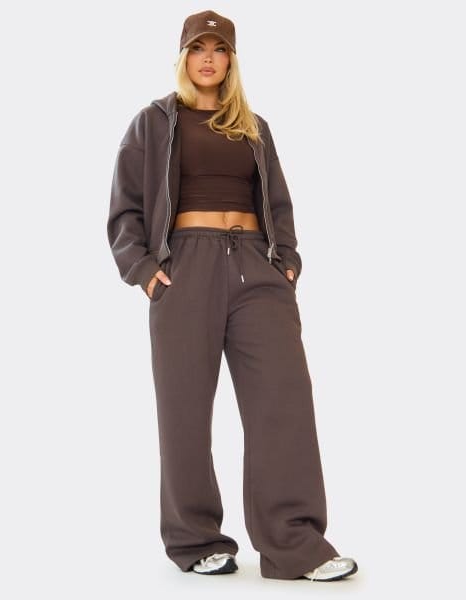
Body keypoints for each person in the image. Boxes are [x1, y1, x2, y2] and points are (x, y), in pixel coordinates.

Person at [107, 9, 358, 582]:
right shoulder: (154, 122)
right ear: (184, 57)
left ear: (231, 60)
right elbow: (124, 206)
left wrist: (286, 261)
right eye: (199, 48)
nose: (209, 58)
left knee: (283, 402)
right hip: (183, 267)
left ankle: (295, 544)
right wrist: (144, 269)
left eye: (219, 49)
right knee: (185, 408)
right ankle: (196, 540)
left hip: (254, 265)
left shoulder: (253, 127)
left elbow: (280, 204)